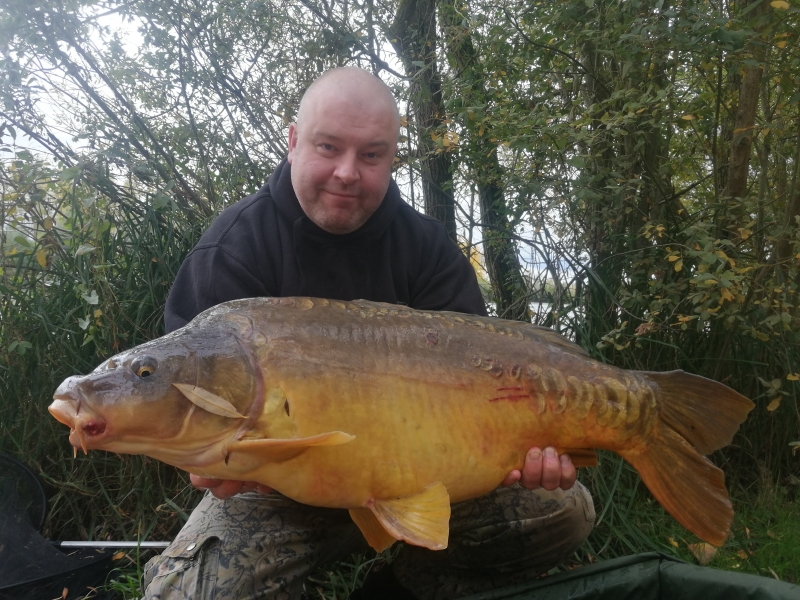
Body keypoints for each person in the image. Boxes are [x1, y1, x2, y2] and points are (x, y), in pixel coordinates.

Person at [143, 67, 595, 600]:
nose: (347, 172)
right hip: (277, 488)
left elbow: (489, 384)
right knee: (188, 595)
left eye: (371, 155)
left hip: (422, 476)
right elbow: (187, 409)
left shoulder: (427, 250)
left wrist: (530, 446)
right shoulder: (233, 252)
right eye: (328, 147)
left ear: (392, 158)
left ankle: (400, 590)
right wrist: (207, 465)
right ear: (293, 142)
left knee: (564, 513)